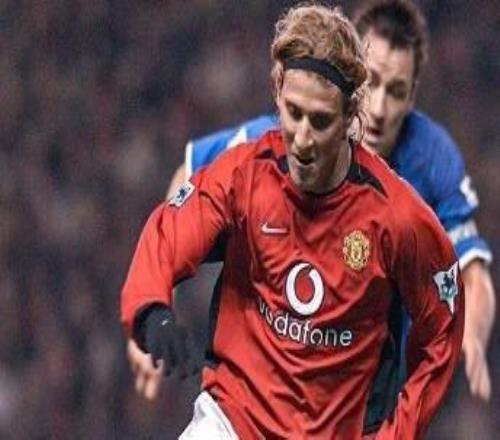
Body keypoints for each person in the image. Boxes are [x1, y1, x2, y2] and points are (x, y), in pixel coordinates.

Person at [121, 3, 464, 439]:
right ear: (277, 90)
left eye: (320, 121)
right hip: (232, 422)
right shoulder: (243, 174)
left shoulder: (396, 216)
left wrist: (399, 432)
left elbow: (443, 326)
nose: (302, 139)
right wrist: (151, 312)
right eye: (293, 112)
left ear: (350, 115)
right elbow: (168, 232)